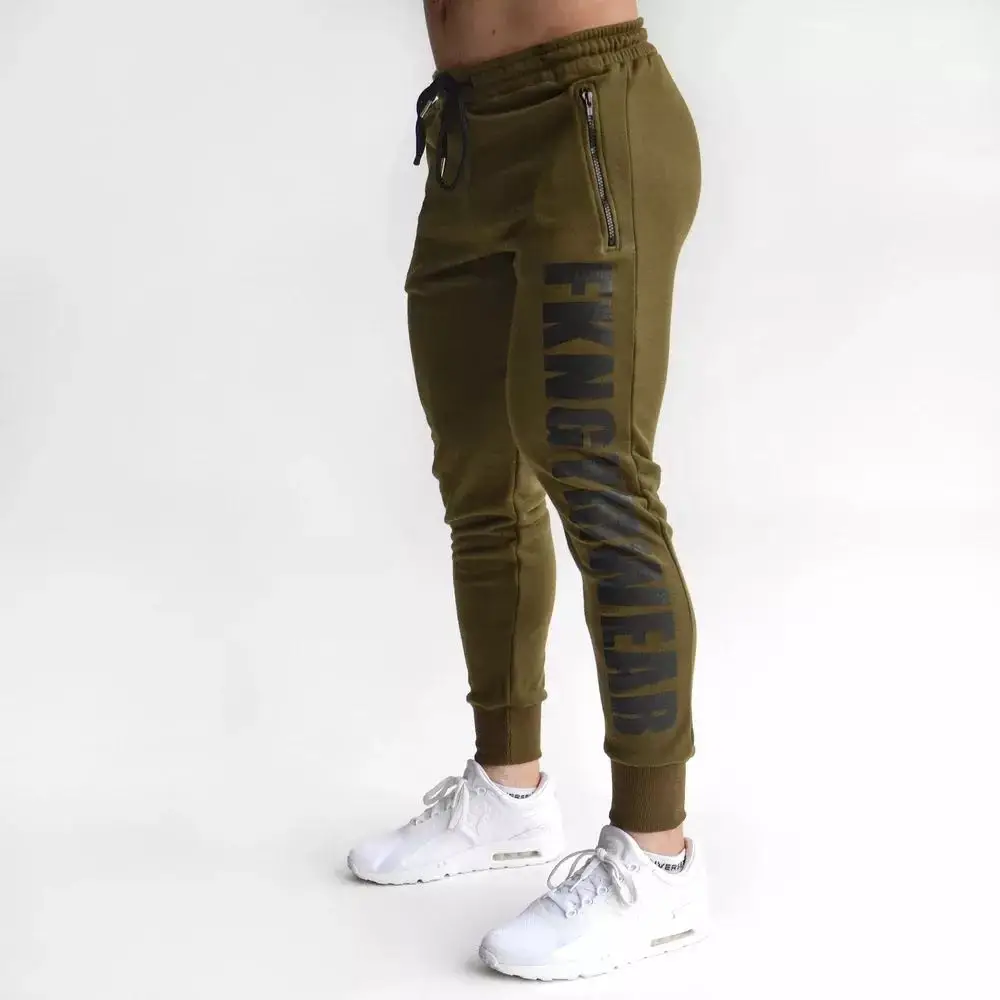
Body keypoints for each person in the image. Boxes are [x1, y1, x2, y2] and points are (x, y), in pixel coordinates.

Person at [348, 0, 706, 980]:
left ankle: (660, 855)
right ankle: (508, 791)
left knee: (599, 478)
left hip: (582, 115)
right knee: (478, 477)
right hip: (468, 133)